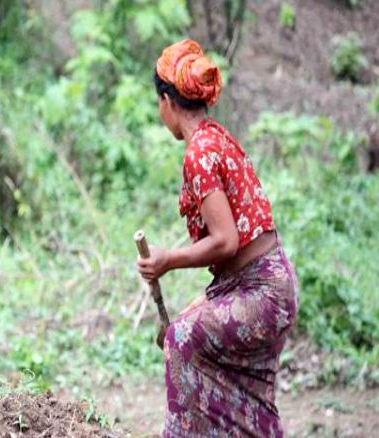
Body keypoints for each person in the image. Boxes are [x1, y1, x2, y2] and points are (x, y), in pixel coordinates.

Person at [136, 39, 299, 437]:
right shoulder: (216, 138)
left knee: (179, 340)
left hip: (262, 293)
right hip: (266, 284)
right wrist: (205, 298)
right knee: (250, 391)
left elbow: (226, 241)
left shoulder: (199, 153)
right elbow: (237, 252)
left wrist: (167, 260)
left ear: (167, 102)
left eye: (158, 104)